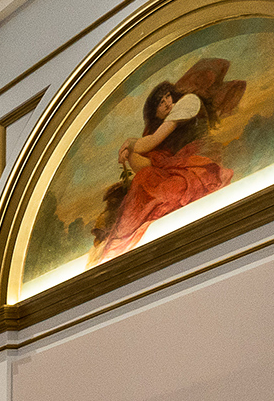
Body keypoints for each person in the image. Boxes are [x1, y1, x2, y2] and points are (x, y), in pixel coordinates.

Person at [91, 61, 244, 265]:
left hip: (199, 166)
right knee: (145, 178)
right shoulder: (165, 128)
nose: (167, 103)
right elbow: (145, 163)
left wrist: (128, 143)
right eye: (160, 103)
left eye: (167, 97)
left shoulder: (188, 102)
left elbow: (150, 142)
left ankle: (120, 242)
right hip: (180, 166)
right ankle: (117, 245)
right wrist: (129, 152)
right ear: (154, 113)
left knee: (161, 186)